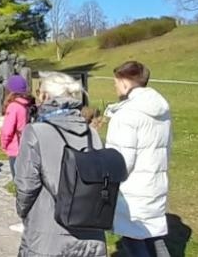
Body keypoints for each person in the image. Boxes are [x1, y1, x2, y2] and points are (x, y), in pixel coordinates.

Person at [14, 71, 107, 256]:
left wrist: (24, 213)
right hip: (89, 229)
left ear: (46, 96)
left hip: (48, 230)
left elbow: (26, 186)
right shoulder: (91, 134)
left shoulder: (35, 132)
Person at [105, 61, 172, 257]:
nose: (115, 87)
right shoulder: (162, 111)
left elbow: (121, 161)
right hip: (155, 182)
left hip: (132, 190)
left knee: (134, 240)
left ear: (125, 82)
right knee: (152, 236)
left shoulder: (126, 114)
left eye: (116, 82)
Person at [0, 75, 34, 179]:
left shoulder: (14, 106)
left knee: (19, 181)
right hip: (29, 146)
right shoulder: (28, 103)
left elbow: (7, 131)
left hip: (16, 148)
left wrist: (4, 145)